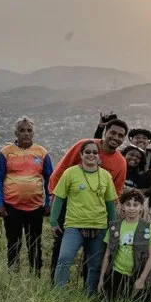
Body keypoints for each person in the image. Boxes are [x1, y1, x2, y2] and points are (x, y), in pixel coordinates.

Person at [47, 118, 129, 278]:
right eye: (113, 132)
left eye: (120, 135)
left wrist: (111, 219)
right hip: (70, 206)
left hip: (97, 214)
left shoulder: (120, 162)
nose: (116, 137)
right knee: (61, 247)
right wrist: (54, 197)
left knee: (93, 253)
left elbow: (116, 193)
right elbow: (61, 170)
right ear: (105, 132)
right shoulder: (84, 146)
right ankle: (55, 283)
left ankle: (88, 288)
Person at [49, 140, 117, 294]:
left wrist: (113, 225)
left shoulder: (105, 176)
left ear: (99, 155)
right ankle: (59, 294)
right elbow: (59, 198)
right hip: (74, 225)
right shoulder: (70, 173)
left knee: (95, 265)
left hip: (99, 226)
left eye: (94, 152)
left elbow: (110, 203)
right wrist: (53, 221)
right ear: (81, 154)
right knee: (64, 260)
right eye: (87, 152)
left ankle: (91, 295)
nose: (91, 155)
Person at [0, 116, 53, 276]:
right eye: (22, 130)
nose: (26, 133)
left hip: (35, 208)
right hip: (11, 207)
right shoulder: (6, 152)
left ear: (33, 133)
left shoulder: (42, 152)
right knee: (13, 242)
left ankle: (36, 274)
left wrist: (48, 203)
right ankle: (13, 274)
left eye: (29, 130)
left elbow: (50, 179)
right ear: (16, 133)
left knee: (34, 243)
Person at [99, 188, 151, 300]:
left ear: (141, 207)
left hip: (135, 276)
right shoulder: (114, 227)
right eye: (128, 204)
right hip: (115, 274)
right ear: (122, 207)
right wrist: (102, 279)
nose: (131, 208)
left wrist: (141, 279)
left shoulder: (148, 227)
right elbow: (107, 255)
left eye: (135, 205)